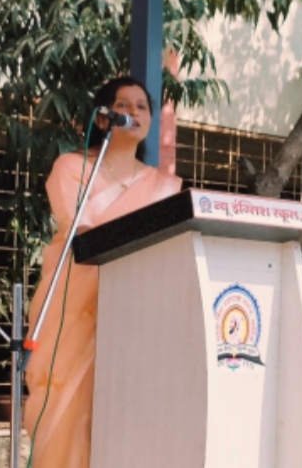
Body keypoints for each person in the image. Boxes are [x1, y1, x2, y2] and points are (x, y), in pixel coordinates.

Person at [22, 77, 182, 467]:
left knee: (126, 411)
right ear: (105, 117)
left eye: (142, 106)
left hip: (136, 313)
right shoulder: (72, 167)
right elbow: (80, 230)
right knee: (69, 412)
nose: (133, 113)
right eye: (123, 105)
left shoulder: (164, 188)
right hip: (74, 308)